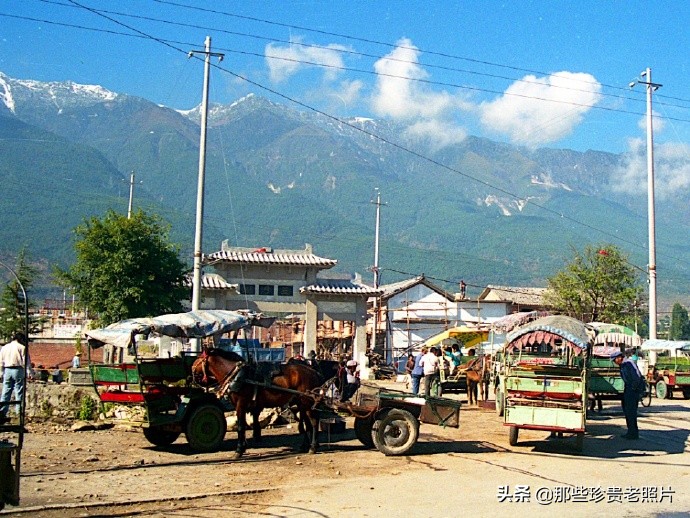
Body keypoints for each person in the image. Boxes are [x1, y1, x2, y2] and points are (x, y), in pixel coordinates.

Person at [611, 350, 645, 440]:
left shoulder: (629, 363)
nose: (614, 362)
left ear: (619, 358)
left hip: (633, 390)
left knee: (631, 411)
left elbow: (636, 377)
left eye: (614, 360)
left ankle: (633, 433)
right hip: (628, 388)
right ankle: (631, 431)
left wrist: (633, 389)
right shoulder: (623, 365)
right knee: (627, 410)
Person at [0, 331, 30, 424]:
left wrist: (1, 372)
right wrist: (30, 373)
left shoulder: (4, 347)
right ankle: (19, 414)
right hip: (18, 369)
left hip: (7, 370)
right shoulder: (22, 347)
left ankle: (2, 412)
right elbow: (26, 362)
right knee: (19, 392)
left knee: (6, 391)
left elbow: (1, 361)